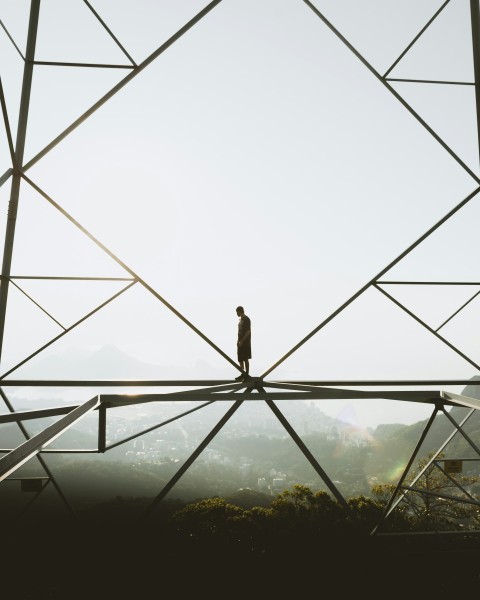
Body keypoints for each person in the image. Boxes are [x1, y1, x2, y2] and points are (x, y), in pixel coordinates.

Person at [235, 306, 251, 381]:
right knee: (240, 358)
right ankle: (243, 373)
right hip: (240, 341)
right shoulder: (241, 320)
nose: (236, 314)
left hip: (245, 342)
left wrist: (242, 341)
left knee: (245, 358)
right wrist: (238, 341)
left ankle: (246, 374)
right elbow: (240, 332)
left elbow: (248, 331)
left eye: (237, 312)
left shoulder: (246, 319)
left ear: (240, 311)